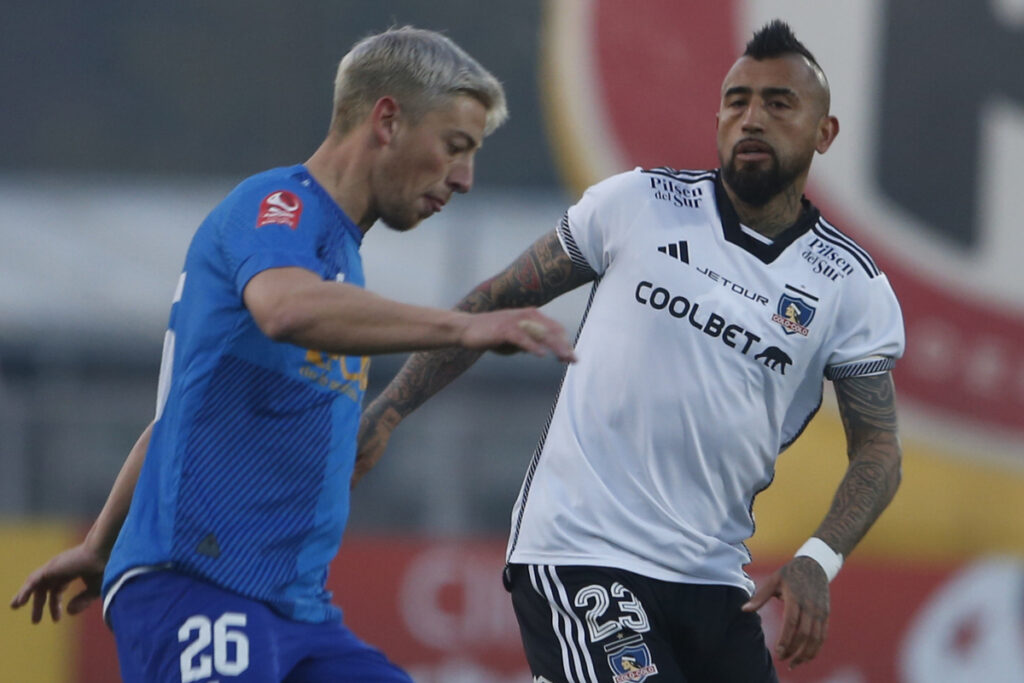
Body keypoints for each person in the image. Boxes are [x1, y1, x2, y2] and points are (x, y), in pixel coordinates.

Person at [10, 26, 575, 683]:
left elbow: (177, 416)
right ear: (387, 120)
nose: (466, 178)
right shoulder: (277, 206)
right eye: (456, 147)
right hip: (198, 586)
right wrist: (462, 327)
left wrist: (95, 545)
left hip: (299, 612)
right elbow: (284, 309)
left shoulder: (338, 258)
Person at [356, 19, 904, 682]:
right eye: (737, 101)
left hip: (714, 574)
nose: (752, 117)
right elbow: (495, 300)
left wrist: (819, 556)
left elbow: (877, 446)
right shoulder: (638, 202)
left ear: (825, 133)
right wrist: (389, 408)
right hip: (583, 549)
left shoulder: (852, 285)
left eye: (779, 103)